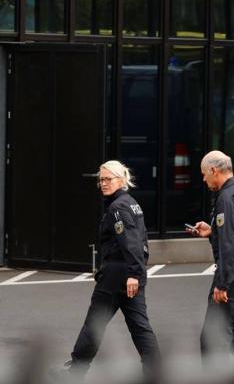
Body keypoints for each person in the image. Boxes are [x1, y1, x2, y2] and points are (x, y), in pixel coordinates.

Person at [58, 160, 160, 379]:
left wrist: (133, 274)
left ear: (121, 180)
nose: (103, 183)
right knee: (140, 325)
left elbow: (130, 242)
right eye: (101, 180)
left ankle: (75, 371)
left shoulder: (118, 208)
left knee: (95, 323)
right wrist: (137, 273)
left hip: (118, 273)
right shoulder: (131, 202)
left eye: (108, 179)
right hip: (131, 271)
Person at [187, 150, 234, 369]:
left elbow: (232, 246)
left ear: (214, 170)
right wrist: (213, 231)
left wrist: (222, 283)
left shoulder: (226, 198)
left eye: (204, 174)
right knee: (233, 330)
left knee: (212, 337)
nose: (203, 180)